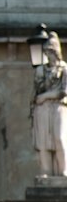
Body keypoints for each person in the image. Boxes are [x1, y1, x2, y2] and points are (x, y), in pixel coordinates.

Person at [32, 31, 67, 176]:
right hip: (42, 108)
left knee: (59, 138)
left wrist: (45, 96)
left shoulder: (64, 68)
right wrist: (39, 77)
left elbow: (64, 92)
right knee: (43, 142)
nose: (47, 55)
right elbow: (36, 92)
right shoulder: (41, 69)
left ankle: (63, 170)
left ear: (56, 51)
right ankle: (45, 171)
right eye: (45, 52)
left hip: (59, 107)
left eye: (50, 51)